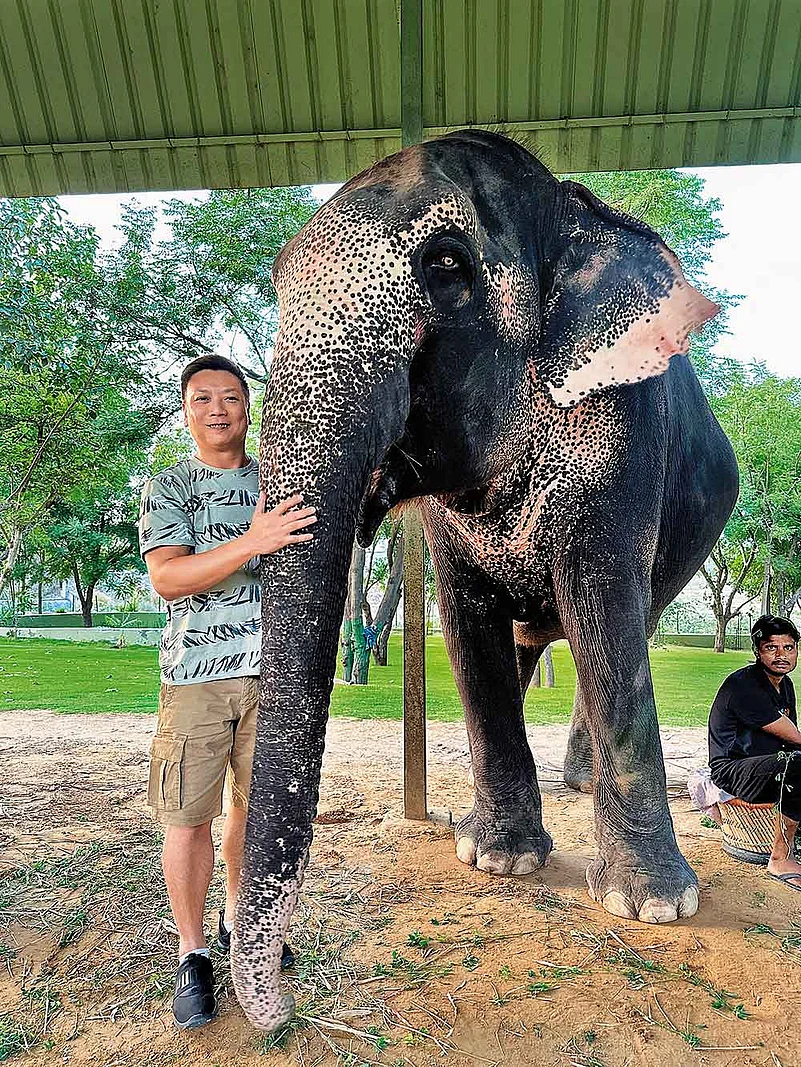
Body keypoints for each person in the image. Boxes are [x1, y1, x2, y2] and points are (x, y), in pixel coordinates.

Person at [139, 354, 317, 1029]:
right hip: (195, 682)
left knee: (251, 813)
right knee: (188, 819)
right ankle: (192, 953)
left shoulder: (277, 485)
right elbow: (170, 578)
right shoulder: (171, 486)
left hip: (273, 679)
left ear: (250, 407)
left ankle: (244, 924)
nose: (218, 408)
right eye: (203, 398)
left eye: (232, 397)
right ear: (187, 411)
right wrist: (255, 539)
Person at [708, 615, 801, 889]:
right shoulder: (744, 686)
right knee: (797, 766)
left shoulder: (786, 685)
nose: (781, 655)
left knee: (795, 763)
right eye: (772, 648)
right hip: (734, 770)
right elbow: (794, 736)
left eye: (789, 647)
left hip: (768, 766)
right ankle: (779, 858)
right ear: (758, 651)